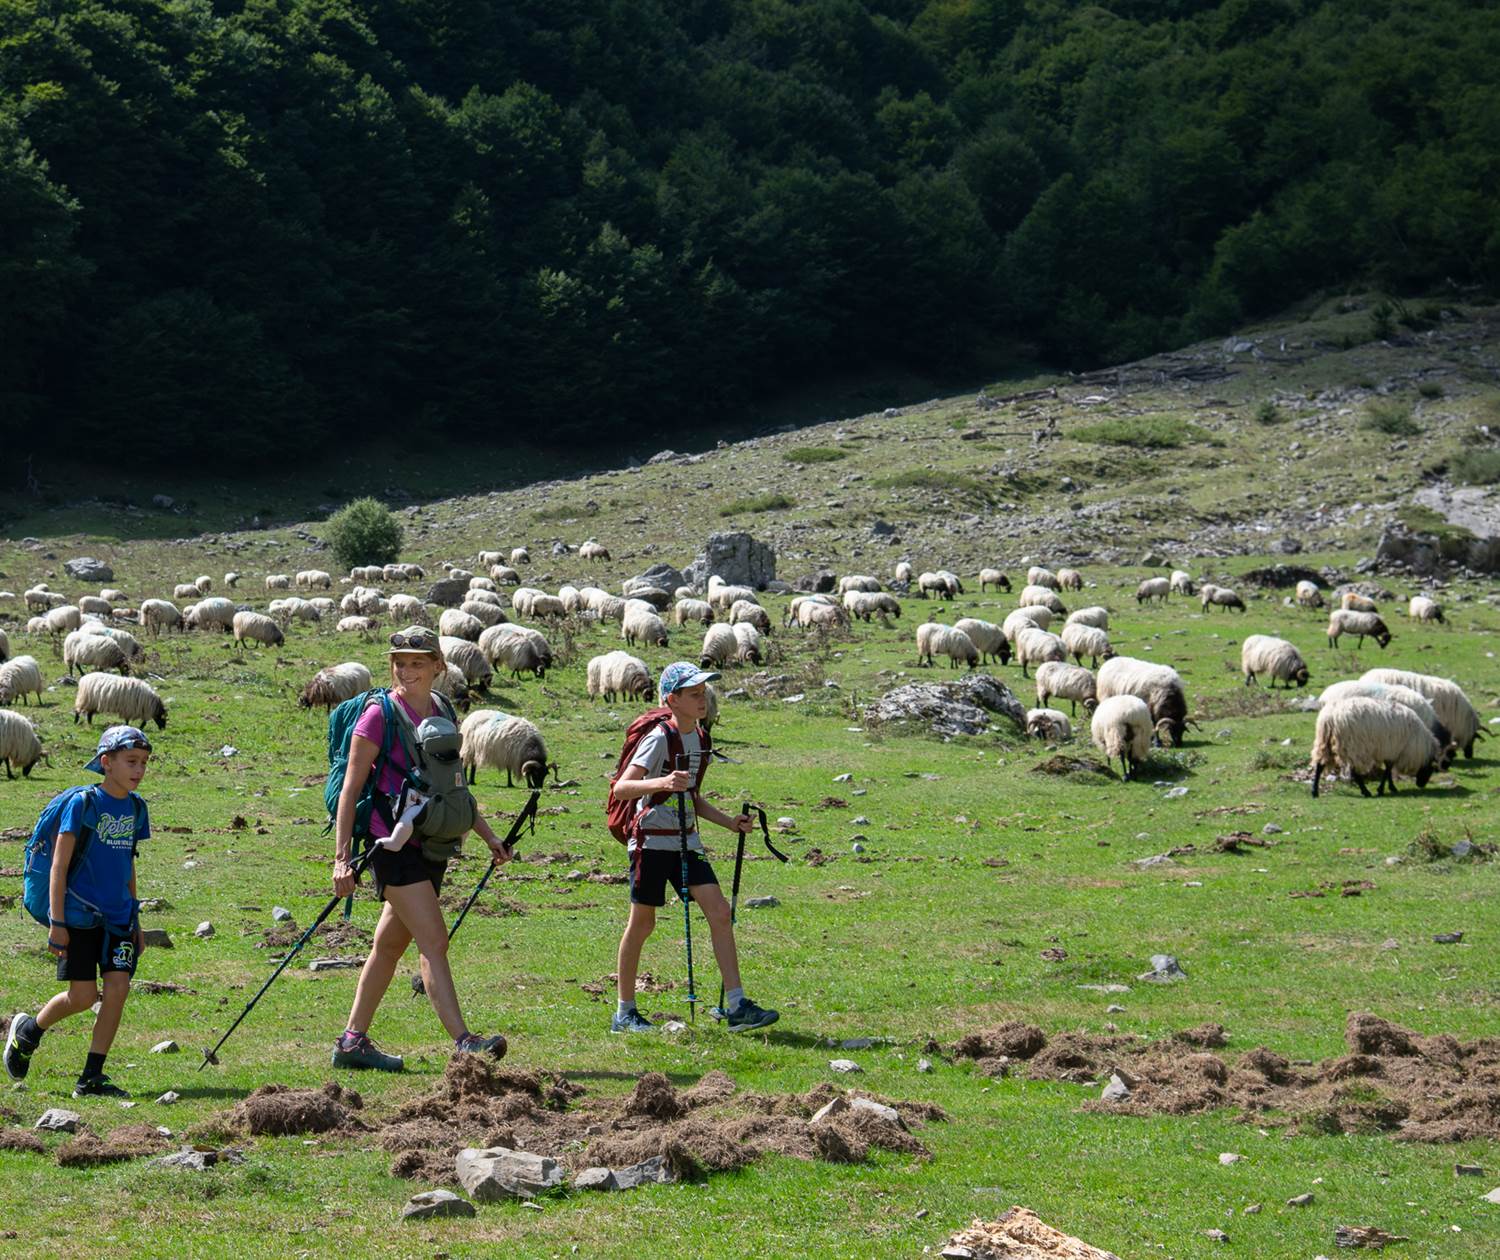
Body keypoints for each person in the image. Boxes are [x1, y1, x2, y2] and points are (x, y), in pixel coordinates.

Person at [329, 627, 515, 1071]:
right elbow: (350, 787)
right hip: (391, 844)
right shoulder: (379, 715)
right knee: (433, 940)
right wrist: (341, 860)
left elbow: (454, 788)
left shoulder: (443, 710)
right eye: (399, 662)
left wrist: (489, 836)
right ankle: (465, 1042)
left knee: (389, 947)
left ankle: (352, 1043)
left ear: (438, 666)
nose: (407, 670)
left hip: (432, 840)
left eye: (417, 662)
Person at [610, 662, 778, 1034]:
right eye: (694, 693)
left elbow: (693, 796)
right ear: (672, 699)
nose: (703, 699)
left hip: (687, 840)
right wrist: (666, 781)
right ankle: (624, 1012)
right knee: (643, 923)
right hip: (651, 842)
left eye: (704, 692)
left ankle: (736, 1005)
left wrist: (730, 823)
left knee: (719, 912)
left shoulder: (700, 738)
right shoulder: (658, 737)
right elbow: (622, 788)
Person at [4, 726, 152, 1097]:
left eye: (144, 763)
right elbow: (58, 865)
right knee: (83, 997)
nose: (139, 770)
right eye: (131, 762)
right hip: (79, 917)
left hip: (119, 917)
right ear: (107, 763)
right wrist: (57, 923)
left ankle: (91, 1077)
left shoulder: (136, 808)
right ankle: (28, 1032)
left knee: (119, 987)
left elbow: (128, 864)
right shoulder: (83, 804)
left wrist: (136, 920)